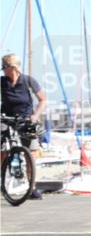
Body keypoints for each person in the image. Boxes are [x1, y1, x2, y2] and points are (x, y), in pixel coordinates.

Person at [1, 54, 47, 200]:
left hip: (27, 119)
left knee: (31, 154)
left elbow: (43, 100)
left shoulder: (28, 80)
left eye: (4, 67)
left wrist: (35, 116)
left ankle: (32, 188)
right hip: (6, 118)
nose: (2, 70)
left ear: (12, 68)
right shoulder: (2, 82)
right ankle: (2, 182)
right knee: (2, 152)